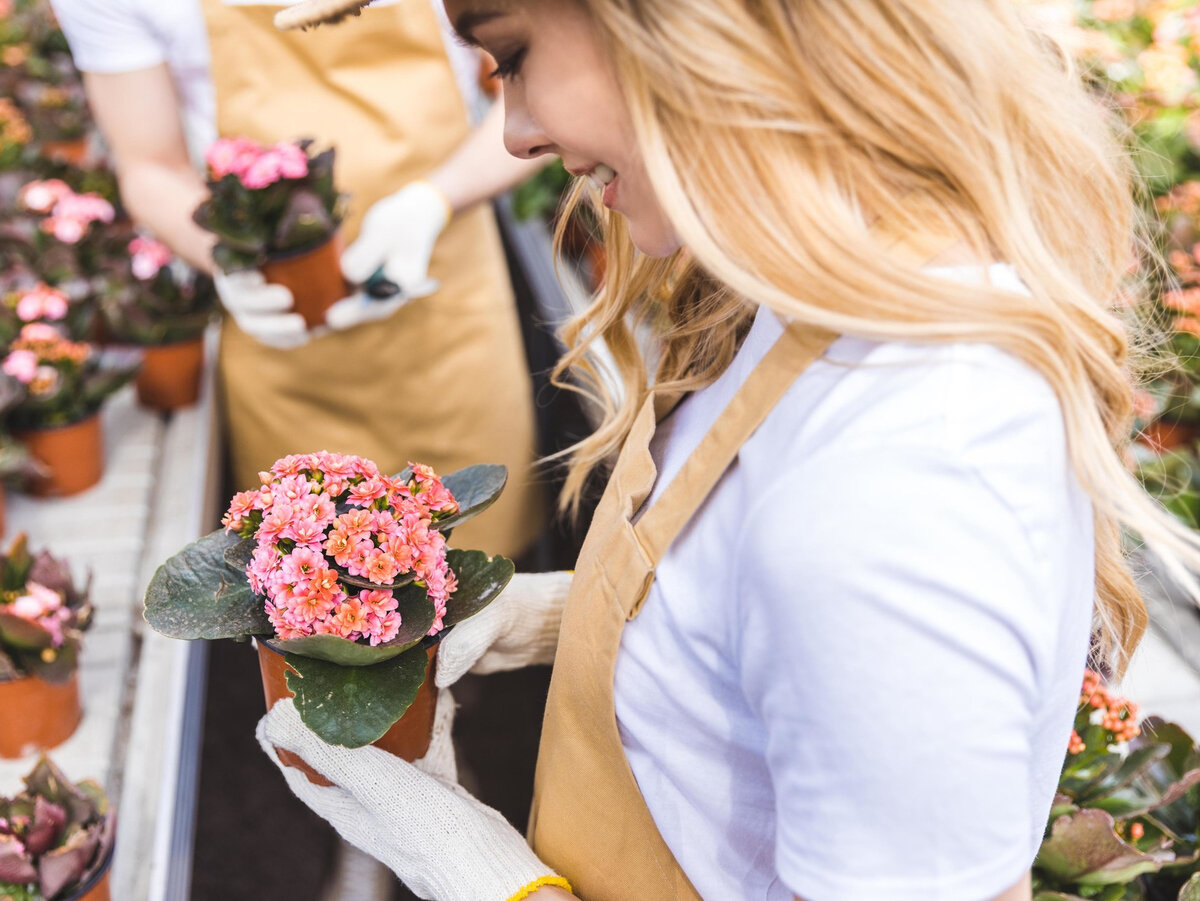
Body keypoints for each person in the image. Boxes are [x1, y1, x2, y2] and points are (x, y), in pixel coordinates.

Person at [257, 1, 1200, 899]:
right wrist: (570, 618)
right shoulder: (794, 303)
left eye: (515, 56)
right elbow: (771, 611)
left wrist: (467, 864)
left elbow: (841, 578)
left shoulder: (899, 487)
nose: (515, 133)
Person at [48, 0, 547, 560]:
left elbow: (547, 96)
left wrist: (434, 201)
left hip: (451, 320)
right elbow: (149, 166)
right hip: (287, 353)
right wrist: (225, 258)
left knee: (478, 574)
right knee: (317, 596)